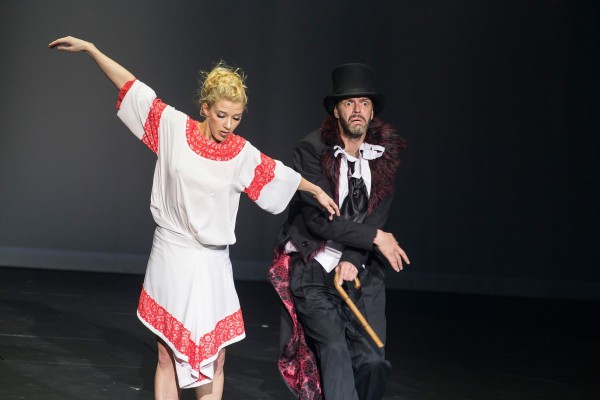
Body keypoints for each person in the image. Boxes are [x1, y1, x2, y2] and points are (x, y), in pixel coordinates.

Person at [48, 36, 339, 400]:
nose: (228, 125)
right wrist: (92, 51)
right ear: (205, 108)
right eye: (221, 115)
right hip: (172, 254)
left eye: (236, 117)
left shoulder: (240, 153)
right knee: (167, 353)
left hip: (213, 263)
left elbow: (278, 174)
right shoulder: (172, 128)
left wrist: (316, 190)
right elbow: (132, 88)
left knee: (215, 358)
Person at [268, 63, 410, 400]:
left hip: (360, 266)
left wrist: (353, 257)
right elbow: (319, 221)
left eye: (364, 103)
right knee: (334, 348)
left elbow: (376, 218)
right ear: (336, 111)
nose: (357, 110)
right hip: (314, 266)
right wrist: (375, 239)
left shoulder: (384, 157)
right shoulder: (311, 150)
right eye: (349, 103)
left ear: (372, 111)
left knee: (373, 361)